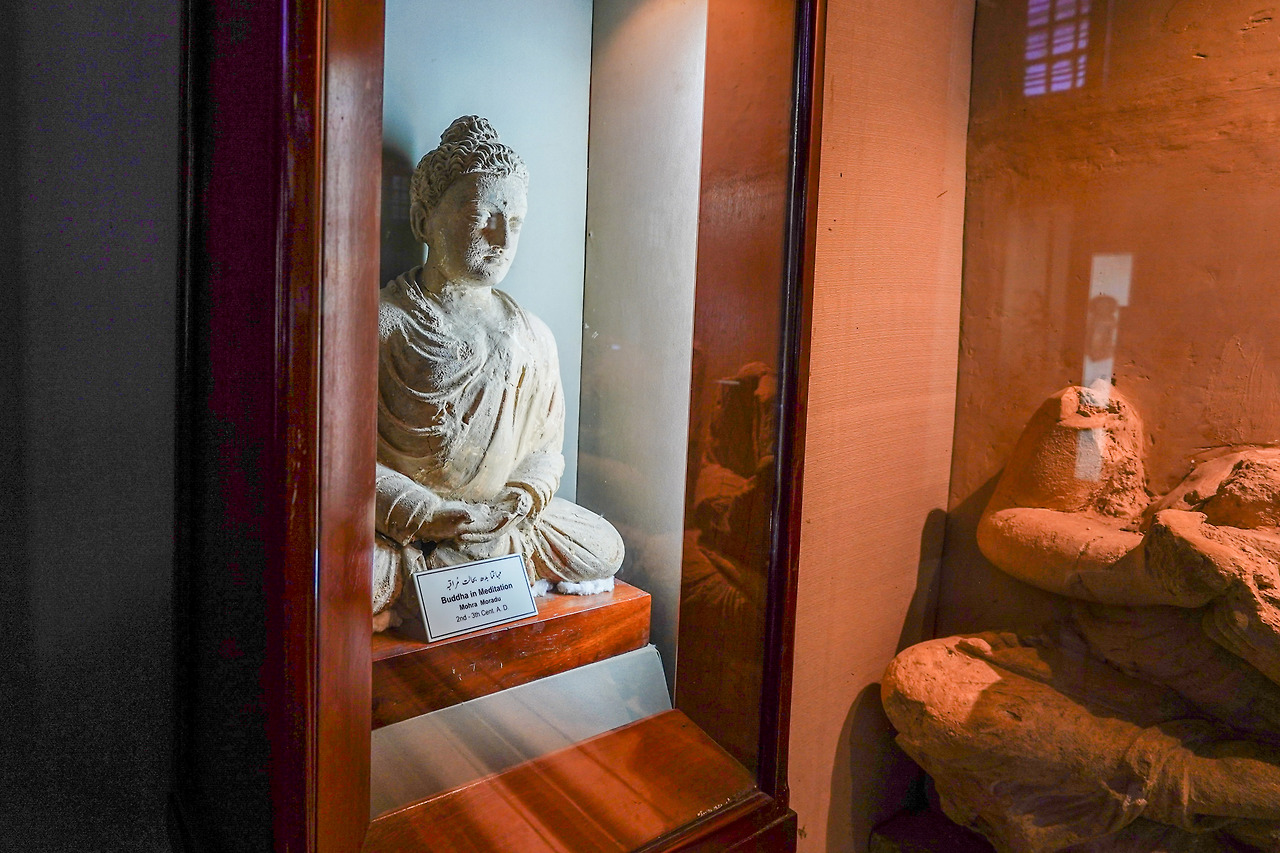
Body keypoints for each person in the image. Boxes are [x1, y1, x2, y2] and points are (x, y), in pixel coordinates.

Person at [883, 385, 1280, 851]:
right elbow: (1019, 523)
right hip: (1112, 699)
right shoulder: (1239, 483)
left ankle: (1182, 801)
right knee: (924, 681)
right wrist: (1142, 571)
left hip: (1230, 749)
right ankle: (1183, 794)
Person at [371, 116, 623, 632]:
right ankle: (443, 565)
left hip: (502, 520)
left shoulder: (533, 335)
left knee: (603, 547)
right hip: (407, 525)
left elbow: (545, 452)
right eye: (482, 215)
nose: (502, 236)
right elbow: (342, 460)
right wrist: (424, 512)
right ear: (423, 221)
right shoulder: (381, 324)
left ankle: (453, 573)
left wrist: (520, 498)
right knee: (344, 570)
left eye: (516, 221)